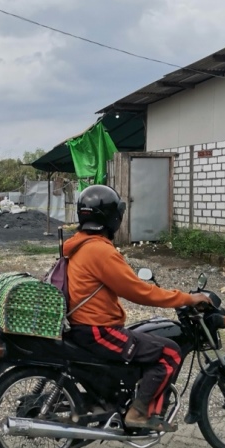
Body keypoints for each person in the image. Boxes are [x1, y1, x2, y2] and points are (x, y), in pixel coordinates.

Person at [64, 184, 211, 432]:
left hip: (86, 327)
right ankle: (138, 413)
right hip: (98, 331)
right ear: (112, 217)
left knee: (143, 343)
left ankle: (121, 401)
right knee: (170, 352)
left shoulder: (80, 244)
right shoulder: (99, 250)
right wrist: (186, 298)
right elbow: (139, 291)